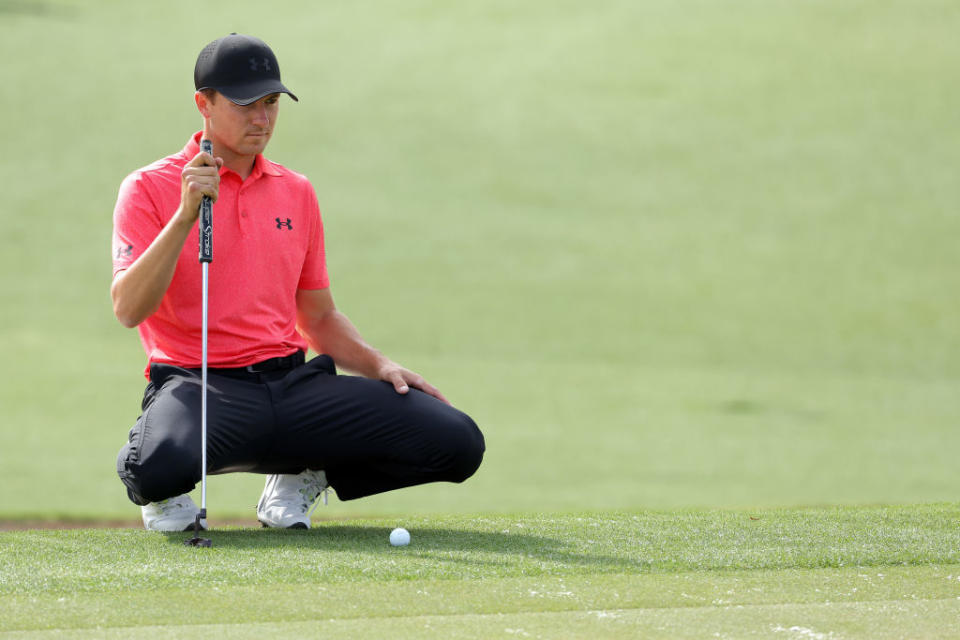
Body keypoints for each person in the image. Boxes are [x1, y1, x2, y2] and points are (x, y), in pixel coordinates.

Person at [111, 34, 485, 531]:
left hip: (292, 388)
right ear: (204, 103)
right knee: (155, 467)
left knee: (457, 442)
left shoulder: (296, 191)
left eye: (270, 103)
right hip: (200, 385)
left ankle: (304, 471)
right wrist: (184, 216)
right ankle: (167, 493)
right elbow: (128, 309)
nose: (262, 119)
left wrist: (380, 365)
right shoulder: (148, 187)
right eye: (245, 104)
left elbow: (319, 317)